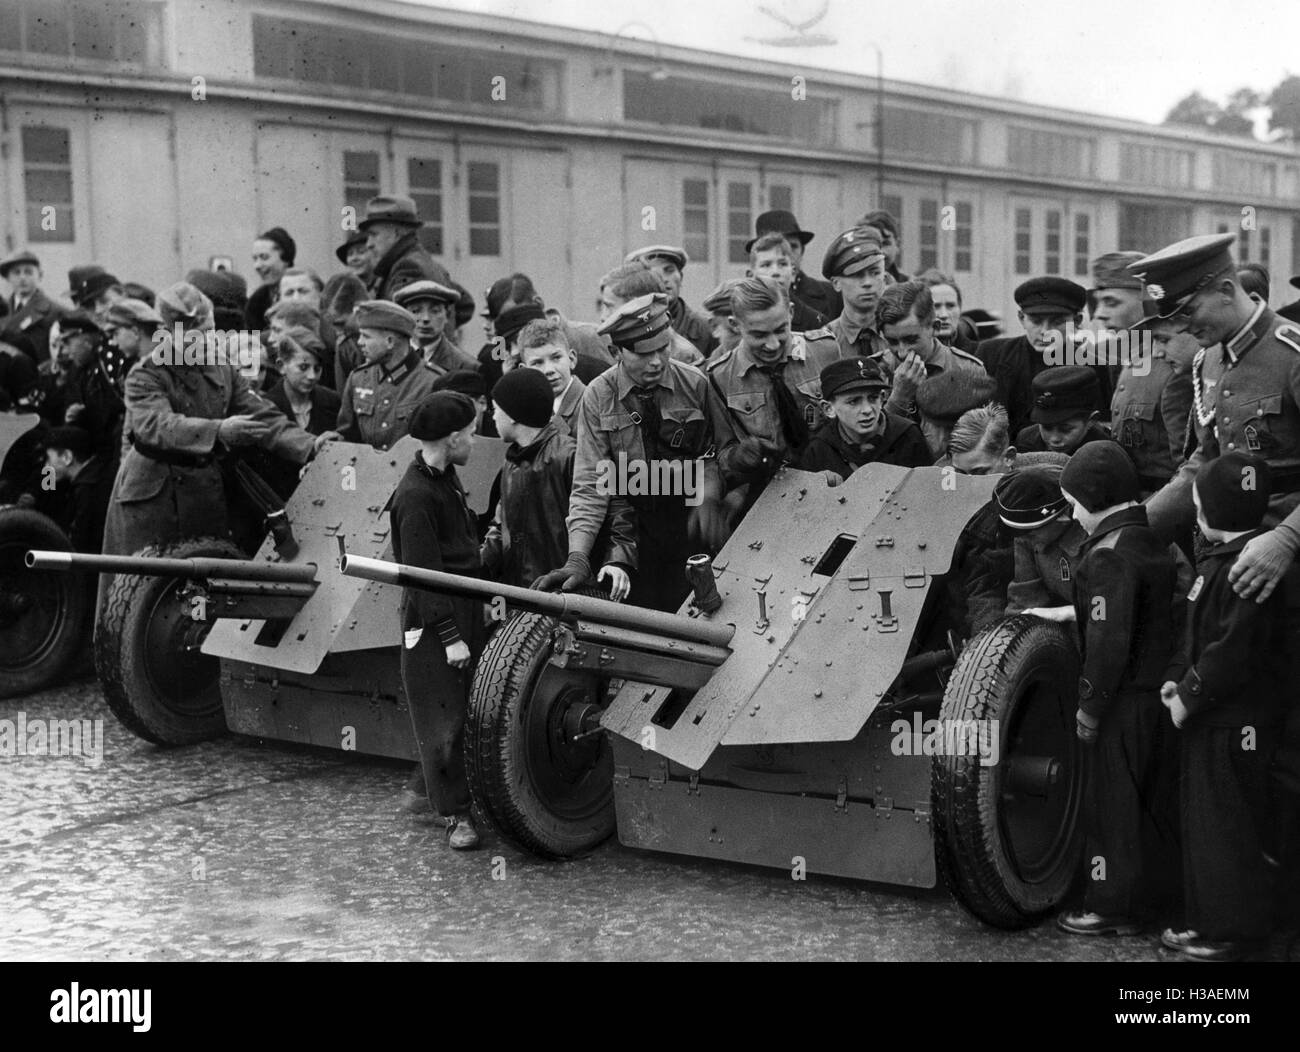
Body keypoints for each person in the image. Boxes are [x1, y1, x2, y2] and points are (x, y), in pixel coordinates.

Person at [1160, 453, 1288, 961]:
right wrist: (1175, 681)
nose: (1192, 512)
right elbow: (1195, 639)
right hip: (1214, 720)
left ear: (1211, 510)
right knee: (1207, 824)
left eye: (1196, 503)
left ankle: (1229, 930)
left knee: (1224, 829)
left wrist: (1188, 698)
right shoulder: (1219, 563)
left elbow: (1231, 652)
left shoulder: (1241, 572)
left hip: (1230, 724)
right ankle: (1208, 920)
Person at [535, 293, 737, 613]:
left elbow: (722, 451)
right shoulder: (598, 396)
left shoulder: (695, 384)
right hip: (633, 531)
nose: (656, 361)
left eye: (663, 348)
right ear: (617, 352)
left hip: (691, 524)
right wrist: (578, 556)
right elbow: (590, 482)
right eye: (644, 353)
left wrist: (711, 491)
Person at [101, 282, 324, 564]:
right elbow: (157, 426)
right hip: (153, 496)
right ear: (169, 334)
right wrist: (219, 430)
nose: (208, 341)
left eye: (211, 331)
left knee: (202, 579)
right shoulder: (145, 374)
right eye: (198, 334)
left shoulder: (221, 367)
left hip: (202, 493)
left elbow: (262, 415)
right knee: (142, 590)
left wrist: (310, 444)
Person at [1055, 441, 1180, 938]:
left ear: (1093, 496)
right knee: (1149, 804)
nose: (1071, 514)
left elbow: (1107, 643)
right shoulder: (1149, 540)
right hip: (1155, 699)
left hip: (1121, 704)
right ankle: (1150, 901)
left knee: (1111, 808)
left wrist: (1089, 707)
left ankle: (1109, 905)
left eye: (1073, 503)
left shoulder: (1107, 556)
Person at [388, 391, 486, 849]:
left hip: (461, 605)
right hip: (433, 621)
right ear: (451, 439)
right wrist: (450, 637)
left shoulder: (444, 477)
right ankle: (455, 818)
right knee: (442, 718)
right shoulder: (415, 496)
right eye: (470, 433)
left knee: (458, 712)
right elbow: (423, 577)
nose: (475, 440)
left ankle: (424, 788)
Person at [480, 367, 633, 597]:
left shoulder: (570, 456)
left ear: (512, 416)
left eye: (495, 409)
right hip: (527, 597)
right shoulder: (511, 464)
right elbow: (501, 528)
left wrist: (617, 562)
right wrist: (475, 566)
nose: (492, 416)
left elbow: (617, 510)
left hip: (571, 593)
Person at [706, 277, 842, 498]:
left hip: (832, 483)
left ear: (790, 312)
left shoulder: (825, 350)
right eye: (758, 335)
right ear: (734, 325)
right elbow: (722, 454)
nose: (772, 344)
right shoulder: (720, 377)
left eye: (780, 330)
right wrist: (739, 456)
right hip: (771, 494)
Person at [978, 276, 1113, 438]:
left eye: (1057, 322)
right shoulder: (991, 355)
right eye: (1036, 321)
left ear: (1077, 321)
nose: (1045, 331)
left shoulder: (1093, 366)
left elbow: (1099, 427)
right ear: (1022, 318)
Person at [876, 281, 990, 458]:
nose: (902, 351)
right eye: (892, 342)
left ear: (934, 328)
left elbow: (979, 444)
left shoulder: (967, 369)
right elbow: (871, 446)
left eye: (911, 340)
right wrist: (898, 399)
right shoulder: (876, 370)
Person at [798, 356, 929, 479]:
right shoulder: (819, 450)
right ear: (829, 408)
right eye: (853, 401)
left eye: (873, 398)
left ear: (883, 398)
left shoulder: (907, 435)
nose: (867, 410)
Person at [335, 301, 441, 451]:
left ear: (390, 341)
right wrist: (334, 439)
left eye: (366, 336)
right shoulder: (358, 378)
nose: (360, 342)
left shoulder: (433, 382)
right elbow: (348, 437)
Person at [1111, 308, 1195, 497]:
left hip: (1164, 493)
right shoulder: (1133, 361)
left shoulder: (1175, 372)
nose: (1101, 314)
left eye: (1163, 340)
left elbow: (1186, 460)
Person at [801, 226, 889, 362]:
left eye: (875, 273)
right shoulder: (823, 344)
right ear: (836, 283)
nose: (867, 282)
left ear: (884, 276)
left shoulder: (899, 335)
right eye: (857, 275)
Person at [597, 263, 702, 366]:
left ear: (638, 307)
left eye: (609, 306)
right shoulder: (617, 345)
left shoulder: (683, 359)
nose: (603, 317)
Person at [53, 311, 124, 459]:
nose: (65, 350)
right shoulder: (77, 370)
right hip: (96, 451)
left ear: (86, 339)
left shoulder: (110, 361)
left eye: (68, 342)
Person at [746, 209, 841, 320]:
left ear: (802, 251)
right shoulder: (742, 304)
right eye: (772, 250)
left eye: (793, 246)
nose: (787, 254)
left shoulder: (833, 295)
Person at [359, 195, 455, 303]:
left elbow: (396, 318)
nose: (368, 244)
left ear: (397, 233)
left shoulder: (408, 267)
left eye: (374, 235)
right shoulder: (430, 264)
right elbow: (465, 304)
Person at [623, 245, 713, 356]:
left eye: (669, 271)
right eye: (654, 275)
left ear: (681, 277)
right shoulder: (626, 329)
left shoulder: (705, 328)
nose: (664, 279)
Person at [41, 425, 113, 554]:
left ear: (67, 457)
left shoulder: (87, 490)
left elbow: (80, 540)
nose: (46, 466)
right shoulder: (93, 476)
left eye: (48, 458)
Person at [1013, 366, 1111, 455]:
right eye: (1047, 427)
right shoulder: (1026, 440)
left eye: (1065, 429)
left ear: (1091, 420)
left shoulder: (1105, 453)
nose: (1055, 439)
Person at [394, 280, 480, 377]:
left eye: (435, 311)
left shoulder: (466, 366)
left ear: (447, 316)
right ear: (404, 316)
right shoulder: (389, 359)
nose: (425, 318)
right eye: (416, 311)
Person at [747, 232, 828, 332]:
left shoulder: (815, 322)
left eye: (783, 264)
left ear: (793, 273)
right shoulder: (741, 317)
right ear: (751, 276)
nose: (775, 272)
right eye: (766, 265)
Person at [517, 317, 585, 434]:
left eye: (556, 358)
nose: (549, 370)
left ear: (572, 359)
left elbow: (622, 451)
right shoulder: (528, 412)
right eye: (537, 363)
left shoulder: (592, 405)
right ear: (525, 372)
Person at [1, 250, 65, 367]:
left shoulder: (55, 312)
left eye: (28, 272)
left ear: (40, 276)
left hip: (38, 379)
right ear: (8, 278)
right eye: (16, 273)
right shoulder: (2, 310)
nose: (22, 278)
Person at [916, 269, 980, 353]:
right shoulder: (907, 355)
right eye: (935, 307)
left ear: (960, 308)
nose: (944, 315)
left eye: (951, 306)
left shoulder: (979, 354)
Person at [246, 226, 295, 330]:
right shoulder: (255, 302)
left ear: (285, 259)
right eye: (255, 259)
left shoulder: (305, 292)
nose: (257, 266)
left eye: (264, 257)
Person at [858, 209, 908, 284]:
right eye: (871, 244)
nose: (880, 252)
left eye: (885, 243)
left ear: (897, 245)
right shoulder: (848, 285)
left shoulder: (910, 285)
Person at [700, 279, 744, 362]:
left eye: (757, 334)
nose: (747, 342)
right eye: (736, 333)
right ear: (714, 327)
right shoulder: (703, 374)